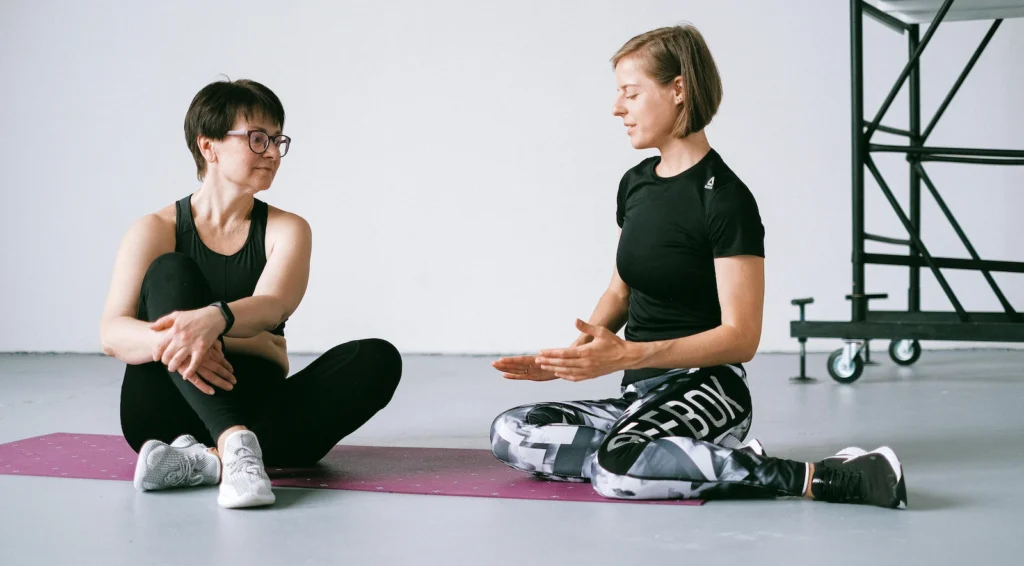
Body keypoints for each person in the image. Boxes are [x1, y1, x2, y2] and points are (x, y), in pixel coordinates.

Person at [489, 25, 907, 508]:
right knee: (512, 432)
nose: (616, 108)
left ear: (678, 89)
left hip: (711, 387)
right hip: (640, 397)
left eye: (631, 93)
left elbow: (742, 337)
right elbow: (619, 293)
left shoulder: (726, 199)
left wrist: (630, 355)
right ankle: (675, 459)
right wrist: (569, 360)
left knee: (615, 470)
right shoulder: (635, 184)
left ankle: (823, 477)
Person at [99, 78, 402, 509]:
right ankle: (236, 444)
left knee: (376, 358)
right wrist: (180, 340)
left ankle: (206, 461)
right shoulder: (156, 230)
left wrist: (212, 321)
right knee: (171, 271)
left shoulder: (287, 229)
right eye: (258, 139)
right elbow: (113, 334)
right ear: (210, 147)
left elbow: (273, 304)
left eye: (278, 140)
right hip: (164, 411)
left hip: (260, 407)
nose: (274, 153)